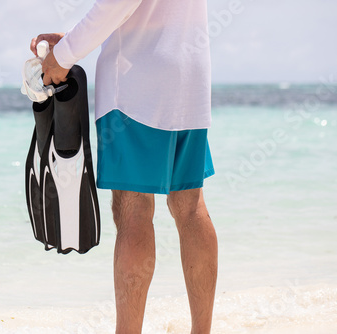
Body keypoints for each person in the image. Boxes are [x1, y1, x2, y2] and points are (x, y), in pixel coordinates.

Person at [30, 0, 218, 333]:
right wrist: (73, 38)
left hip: (138, 86)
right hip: (190, 75)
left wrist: (63, 56)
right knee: (190, 207)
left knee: (133, 211)